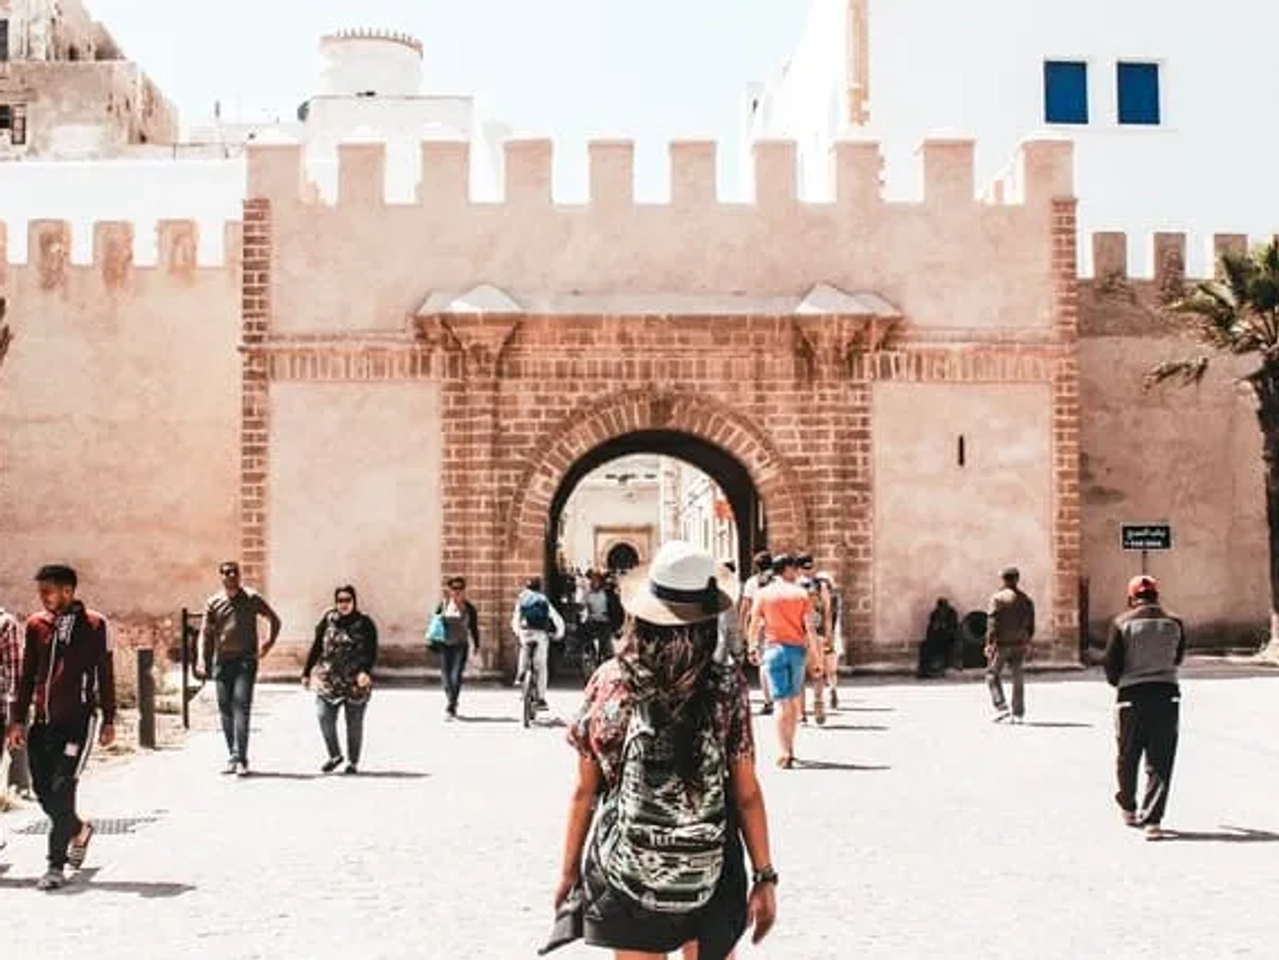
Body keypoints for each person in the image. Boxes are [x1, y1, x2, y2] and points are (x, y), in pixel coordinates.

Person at [549, 540, 777, 959]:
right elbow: (746, 792)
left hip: (628, 872)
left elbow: (585, 790)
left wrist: (568, 871)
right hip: (711, 867)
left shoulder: (610, 681)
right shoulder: (726, 686)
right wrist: (765, 877)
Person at [5, 565, 116, 891]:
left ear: (68, 591)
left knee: (63, 788)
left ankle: (55, 866)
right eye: (40, 592)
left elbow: (105, 673)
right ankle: (79, 829)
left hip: (78, 723)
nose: (42, 597)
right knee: (43, 791)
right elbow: (27, 676)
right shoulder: (36, 625)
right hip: (43, 723)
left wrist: (109, 718)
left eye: (48, 591)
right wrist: (17, 719)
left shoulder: (95, 625)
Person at [1103, 575, 1186, 841]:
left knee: (1127, 755)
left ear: (1131, 598)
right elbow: (1178, 658)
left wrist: (1121, 682)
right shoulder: (1175, 622)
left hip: (1131, 696)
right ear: (1156, 595)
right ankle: (1153, 821)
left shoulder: (1121, 623)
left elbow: (1111, 665)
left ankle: (1128, 807)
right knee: (1161, 759)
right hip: (1166, 695)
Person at [196, 560, 282, 776]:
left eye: (234, 572)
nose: (231, 576)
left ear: (239, 575)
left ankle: (241, 758)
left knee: (241, 707)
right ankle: (233, 757)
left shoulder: (251, 598)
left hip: (245, 660)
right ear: (221, 577)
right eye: (226, 572)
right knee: (225, 709)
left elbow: (275, 620)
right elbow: (204, 634)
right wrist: (201, 660)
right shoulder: (214, 602)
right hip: (222, 662)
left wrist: (268, 644)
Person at [748, 554, 820, 768]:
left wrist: (752, 647)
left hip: (773, 650)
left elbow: (754, 623)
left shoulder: (763, 594)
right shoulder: (801, 594)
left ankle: (784, 750)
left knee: (781, 703)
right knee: (793, 701)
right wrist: (816, 658)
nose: (797, 572)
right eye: (794, 568)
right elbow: (810, 629)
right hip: (797, 651)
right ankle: (791, 747)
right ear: (787, 569)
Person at [302, 585, 378, 773]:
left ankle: (353, 762)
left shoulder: (365, 622)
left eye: (347, 600)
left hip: (355, 681)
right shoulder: (328, 620)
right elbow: (317, 646)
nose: (344, 604)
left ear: (354, 601)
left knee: (354, 723)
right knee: (323, 716)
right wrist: (306, 672)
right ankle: (335, 755)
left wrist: (365, 671)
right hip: (329, 679)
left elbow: (371, 650)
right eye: (340, 600)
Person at [984, 566, 1035, 723]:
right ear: (1017, 579)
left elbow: (992, 623)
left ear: (1003, 580)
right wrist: (1028, 640)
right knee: (1017, 677)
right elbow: (1031, 624)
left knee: (992, 674)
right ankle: (1018, 713)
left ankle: (1001, 707)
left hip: (1002, 644)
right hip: (1019, 643)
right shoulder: (1026, 599)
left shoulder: (997, 598)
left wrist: (989, 643)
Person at [512, 577, 566, 712]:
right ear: (540, 587)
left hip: (525, 632)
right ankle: (541, 698)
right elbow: (557, 619)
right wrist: (559, 634)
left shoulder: (522, 598)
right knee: (541, 666)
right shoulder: (543, 599)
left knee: (524, 648)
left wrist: (518, 632)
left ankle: (520, 675)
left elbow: (515, 618)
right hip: (540, 634)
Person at [433, 576, 481, 720]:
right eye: (454, 588)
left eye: (460, 588)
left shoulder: (469, 608)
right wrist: (433, 641)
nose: (457, 591)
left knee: (456, 675)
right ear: (449, 590)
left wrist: (477, 644)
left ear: (464, 590)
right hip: (444, 645)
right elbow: (435, 625)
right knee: (446, 676)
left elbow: (474, 628)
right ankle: (451, 699)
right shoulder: (443, 605)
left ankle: (451, 705)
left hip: (461, 645)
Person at [1, 602, 32, 799]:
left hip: (4, 704)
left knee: (16, 744)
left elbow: (15, 671)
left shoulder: (5, 623)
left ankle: (19, 788)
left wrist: (16, 713)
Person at [739, 551, 775, 716]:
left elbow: (745, 607)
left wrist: (743, 628)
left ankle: (768, 701)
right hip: (776, 623)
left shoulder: (751, 582)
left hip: (759, 624)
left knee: (763, 664)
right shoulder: (777, 581)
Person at [918, 598, 959, 679]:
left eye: (944, 608)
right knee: (924, 646)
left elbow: (953, 629)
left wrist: (944, 627)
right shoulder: (934, 614)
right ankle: (924, 669)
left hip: (949, 639)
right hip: (936, 639)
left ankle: (939, 668)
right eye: (941, 608)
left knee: (944, 647)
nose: (942, 611)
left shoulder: (952, 614)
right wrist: (935, 628)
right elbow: (930, 630)